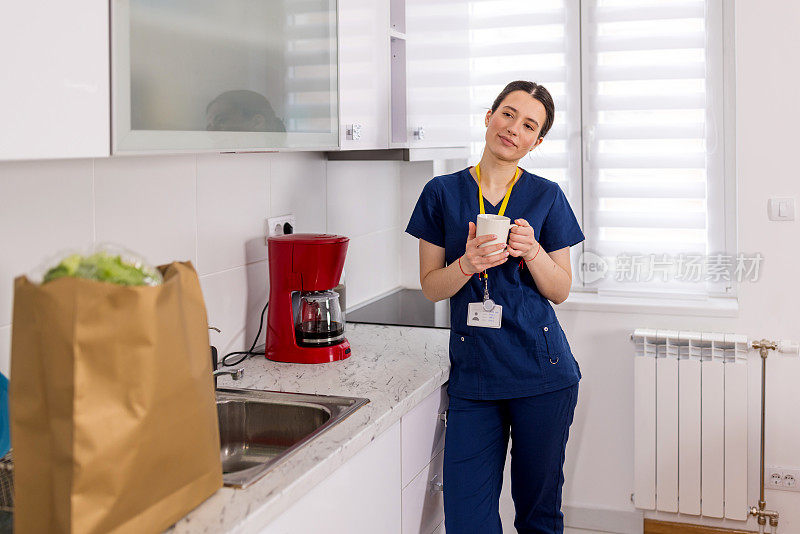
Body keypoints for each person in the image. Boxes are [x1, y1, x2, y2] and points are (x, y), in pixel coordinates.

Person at [405, 80, 585, 534]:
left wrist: (534, 253)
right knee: (467, 519)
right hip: (475, 377)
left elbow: (561, 289)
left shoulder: (547, 196)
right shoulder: (441, 192)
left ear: (537, 141)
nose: (513, 129)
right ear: (489, 117)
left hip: (541, 374)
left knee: (538, 515)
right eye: (508, 114)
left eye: (528, 125)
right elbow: (431, 287)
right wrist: (466, 263)